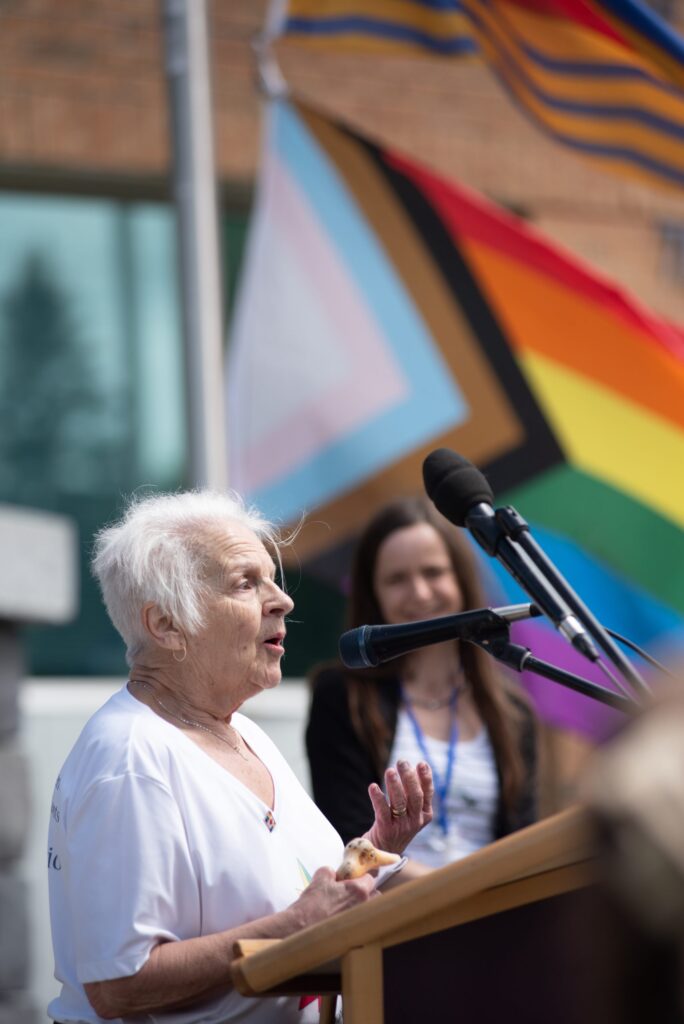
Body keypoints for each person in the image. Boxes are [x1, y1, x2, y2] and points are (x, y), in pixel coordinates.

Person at [47, 491, 434, 1024]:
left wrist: (375, 851)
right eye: (245, 583)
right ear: (165, 625)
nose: (283, 601)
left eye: (272, 578)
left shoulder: (244, 732)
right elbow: (118, 984)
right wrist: (290, 926)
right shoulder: (131, 759)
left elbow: (309, 905)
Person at [306, 495, 537, 869]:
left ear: (461, 580)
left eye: (433, 572)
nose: (420, 593)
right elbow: (345, 841)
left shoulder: (512, 710)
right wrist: (454, 896)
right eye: (397, 579)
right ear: (374, 595)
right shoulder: (342, 696)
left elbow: (524, 846)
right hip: (392, 919)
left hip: (496, 921)